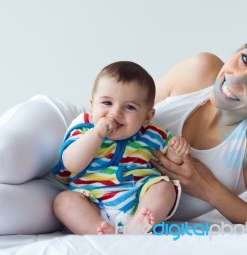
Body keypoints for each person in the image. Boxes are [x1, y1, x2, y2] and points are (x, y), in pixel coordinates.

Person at [0, 22, 247, 239]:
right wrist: (99, 124)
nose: (235, 79)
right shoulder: (202, 69)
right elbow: (132, 98)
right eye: (244, 58)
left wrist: (207, 188)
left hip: (91, 201)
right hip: (73, 131)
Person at [52, 61, 189, 235]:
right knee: (63, 201)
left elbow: (170, 166)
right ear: (92, 105)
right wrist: (96, 134)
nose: (115, 113)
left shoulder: (153, 134)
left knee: (165, 188)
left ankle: (138, 226)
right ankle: (99, 230)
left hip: (138, 202)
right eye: (107, 103)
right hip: (91, 200)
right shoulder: (85, 128)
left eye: (129, 107)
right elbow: (71, 164)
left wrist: (176, 152)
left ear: (147, 117)